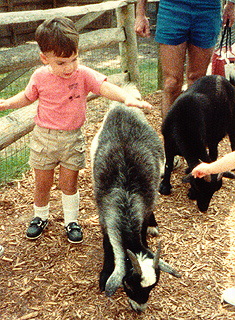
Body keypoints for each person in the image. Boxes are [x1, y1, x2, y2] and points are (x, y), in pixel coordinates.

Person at [0, 17, 152, 243]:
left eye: (74, 59)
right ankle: (40, 217)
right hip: (44, 137)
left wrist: (127, 98)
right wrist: (6, 103)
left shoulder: (83, 74)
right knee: (42, 182)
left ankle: (71, 220)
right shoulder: (40, 77)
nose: (69, 67)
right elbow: (27, 97)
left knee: (68, 183)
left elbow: (104, 87)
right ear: (44, 58)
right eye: (61, 63)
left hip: (72, 138)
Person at [135, 0, 235, 119]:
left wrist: (231, 4)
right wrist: (140, 12)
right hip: (172, 8)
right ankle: (169, 135)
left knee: (197, 81)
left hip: (207, 9)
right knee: (171, 83)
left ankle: (192, 133)